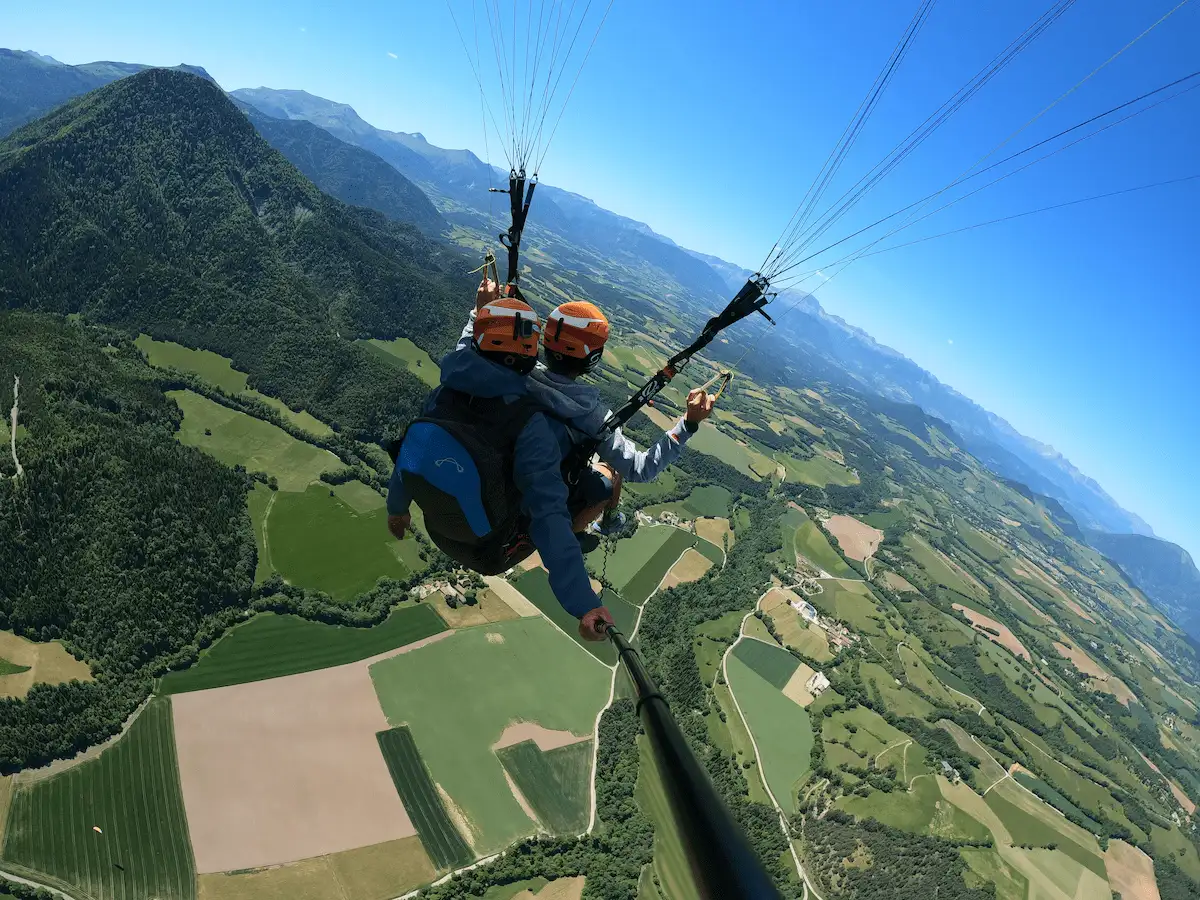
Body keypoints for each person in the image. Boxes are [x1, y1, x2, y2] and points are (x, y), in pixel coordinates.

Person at [387, 278, 714, 641]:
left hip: (441, 525)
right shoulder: (563, 421)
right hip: (494, 545)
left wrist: (481, 312)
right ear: (592, 359)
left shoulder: (476, 383)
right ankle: (593, 526)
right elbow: (639, 469)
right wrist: (688, 424)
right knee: (608, 480)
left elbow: (465, 355)